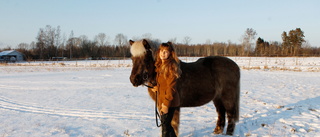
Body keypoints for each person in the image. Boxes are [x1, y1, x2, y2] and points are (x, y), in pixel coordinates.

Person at [152, 42, 181, 137]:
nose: (163, 53)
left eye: (166, 51)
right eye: (161, 51)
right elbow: (163, 83)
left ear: (170, 53)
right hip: (162, 100)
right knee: (167, 125)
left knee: (165, 128)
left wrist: (166, 105)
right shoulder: (160, 65)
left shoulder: (171, 67)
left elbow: (171, 88)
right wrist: (157, 87)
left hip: (169, 102)